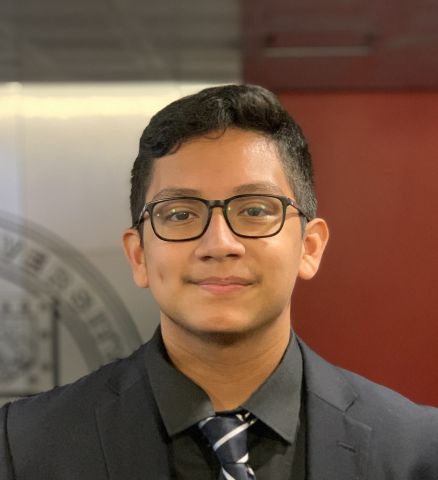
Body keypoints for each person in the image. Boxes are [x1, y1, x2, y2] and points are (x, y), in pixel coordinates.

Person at [1, 84, 437, 480]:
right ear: (139, 256)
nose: (220, 243)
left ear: (309, 247)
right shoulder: (27, 447)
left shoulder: (415, 451)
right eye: (180, 214)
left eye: (254, 210)